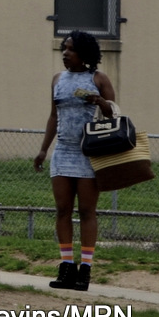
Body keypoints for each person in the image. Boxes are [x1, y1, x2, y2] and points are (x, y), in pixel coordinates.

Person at [34, 29, 114, 291]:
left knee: (87, 211)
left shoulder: (98, 78)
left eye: (70, 49)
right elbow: (53, 116)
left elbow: (114, 115)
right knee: (63, 210)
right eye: (63, 49)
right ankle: (67, 266)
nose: (65, 54)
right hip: (63, 152)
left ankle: (86, 269)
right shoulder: (58, 79)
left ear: (84, 53)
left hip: (89, 152)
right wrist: (44, 149)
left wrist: (100, 101)